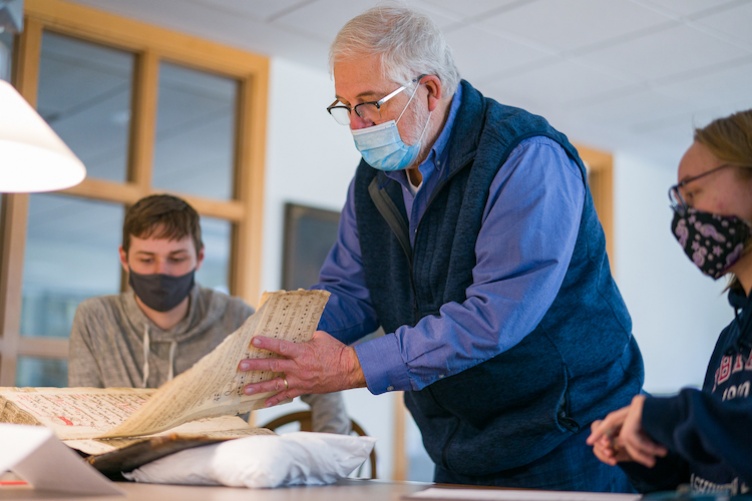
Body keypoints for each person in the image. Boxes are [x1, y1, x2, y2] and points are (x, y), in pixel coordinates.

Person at [237, 6, 644, 490]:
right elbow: (350, 290)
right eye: (345, 106)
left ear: (428, 91)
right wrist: (272, 348)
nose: (356, 124)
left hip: (571, 431)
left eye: (370, 102)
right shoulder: (374, 179)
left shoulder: (526, 157)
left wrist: (348, 366)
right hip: (459, 437)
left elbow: (493, 317)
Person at [68, 193, 351, 435]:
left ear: (199, 258)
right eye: (146, 259)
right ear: (124, 258)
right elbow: (83, 417)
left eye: (177, 259)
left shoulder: (236, 318)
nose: (161, 271)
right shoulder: (95, 318)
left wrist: (333, 457)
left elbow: (320, 385)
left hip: (215, 473)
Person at [587, 110, 752, 495]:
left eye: (692, 192)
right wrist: (650, 453)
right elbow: (718, 467)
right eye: (679, 200)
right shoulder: (733, 335)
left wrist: (672, 416)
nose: (684, 217)